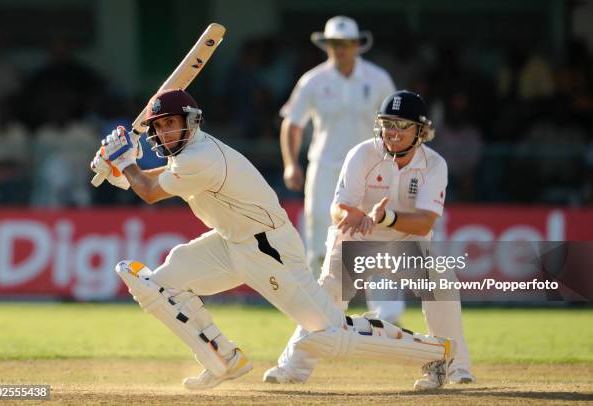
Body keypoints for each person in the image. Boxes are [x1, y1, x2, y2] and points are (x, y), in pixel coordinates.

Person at [90, 88, 455, 391]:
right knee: (161, 284)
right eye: (161, 127)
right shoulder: (185, 158)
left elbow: (151, 191)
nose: (167, 133)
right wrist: (118, 169)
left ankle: (434, 352)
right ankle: (222, 360)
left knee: (328, 333)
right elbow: (152, 180)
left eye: (172, 124)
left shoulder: (199, 158)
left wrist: (124, 163)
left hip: (268, 248)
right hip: (232, 242)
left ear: (191, 122)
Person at [264, 90, 476, 387]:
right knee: (326, 301)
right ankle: (291, 369)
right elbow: (337, 207)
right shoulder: (363, 153)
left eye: (403, 125)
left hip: (406, 243)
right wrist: (350, 216)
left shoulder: (435, 164)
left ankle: (452, 367)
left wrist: (385, 218)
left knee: (442, 284)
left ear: (422, 130)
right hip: (357, 239)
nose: (393, 132)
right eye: (388, 123)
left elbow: (425, 221)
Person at [279, 15, 403, 324]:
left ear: (357, 45)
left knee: (379, 237)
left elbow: (396, 125)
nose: (341, 50)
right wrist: (291, 164)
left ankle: (386, 316)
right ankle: (319, 314)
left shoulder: (378, 79)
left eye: (346, 44)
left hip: (371, 168)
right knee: (320, 233)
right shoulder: (313, 81)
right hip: (325, 167)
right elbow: (292, 124)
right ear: (327, 46)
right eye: (335, 44)